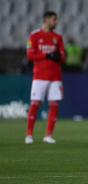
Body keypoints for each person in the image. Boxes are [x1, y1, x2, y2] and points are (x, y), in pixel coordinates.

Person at [25, 11, 65, 144]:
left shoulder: (57, 37)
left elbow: (63, 55)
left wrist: (58, 56)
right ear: (46, 20)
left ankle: (48, 135)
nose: (56, 22)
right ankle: (29, 134)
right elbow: (30, 56)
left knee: (54, 105)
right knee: (35, 104)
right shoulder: (35, 35)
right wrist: (47, 55)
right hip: (40, 76)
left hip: (55, 76)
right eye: (54, 19)